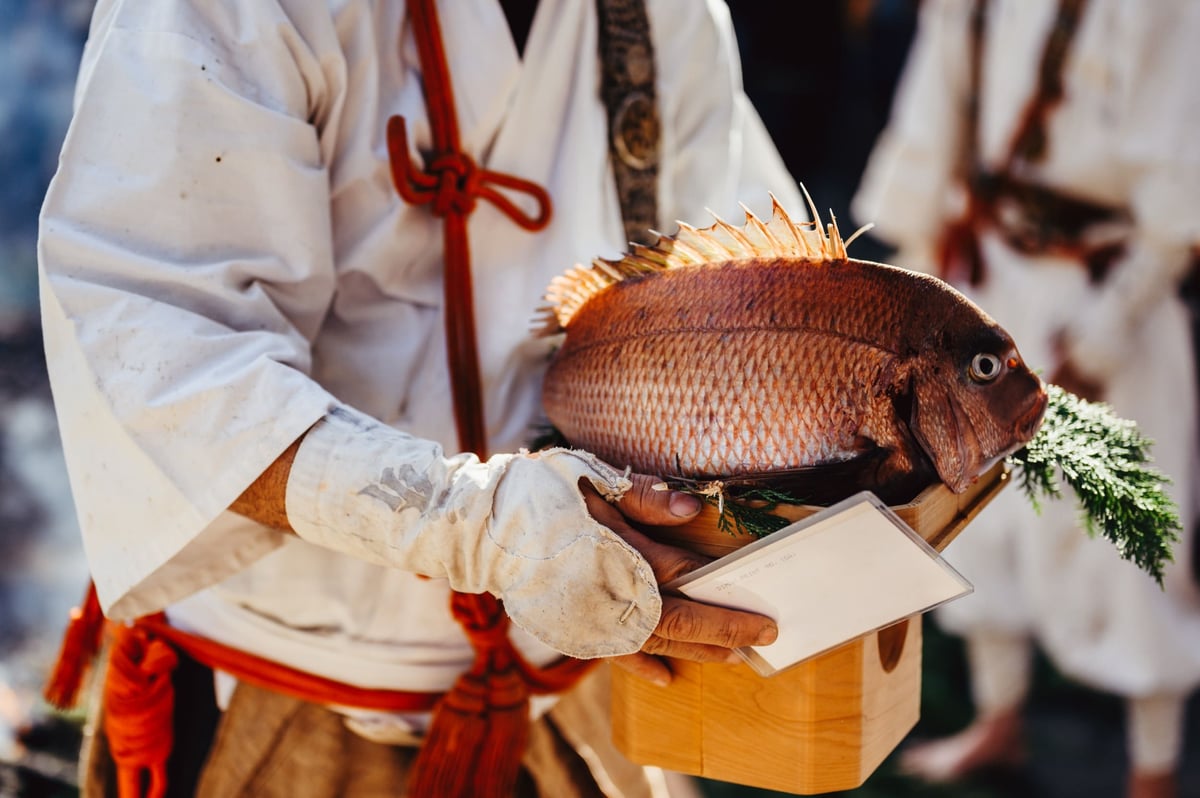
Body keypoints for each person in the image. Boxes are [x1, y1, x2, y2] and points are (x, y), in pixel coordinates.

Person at [37, 0, 805, 795]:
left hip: (586, 677)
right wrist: (474, 529)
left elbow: (735, 284)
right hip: (291, 696)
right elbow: (164, 349)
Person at [852, 1, 1200, 797]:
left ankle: (1154, 770)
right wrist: (913, 281)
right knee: (981, 511)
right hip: (986, 277)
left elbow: (1181, 177)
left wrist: (1113, 326)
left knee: (1132, 534)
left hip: (1102, 287)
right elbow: (931, 120)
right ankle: (998, 719)